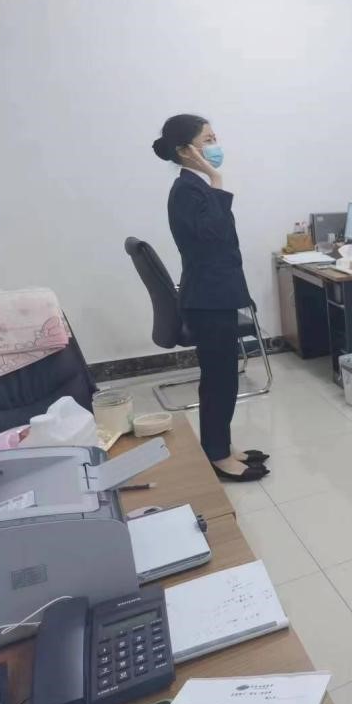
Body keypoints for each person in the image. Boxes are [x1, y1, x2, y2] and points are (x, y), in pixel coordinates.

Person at [155, 115, 270, 482]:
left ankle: (220, 446)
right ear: (185, 150)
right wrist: (217, 180)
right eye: (207, 140)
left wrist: (213, 184)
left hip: (215, 293)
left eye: (214, 137)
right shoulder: (187, 190)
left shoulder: (195, 187)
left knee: (223, 378)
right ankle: (218, 455)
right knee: (220, 380)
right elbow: (213, 238)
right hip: (208, 299)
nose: (215, 145)